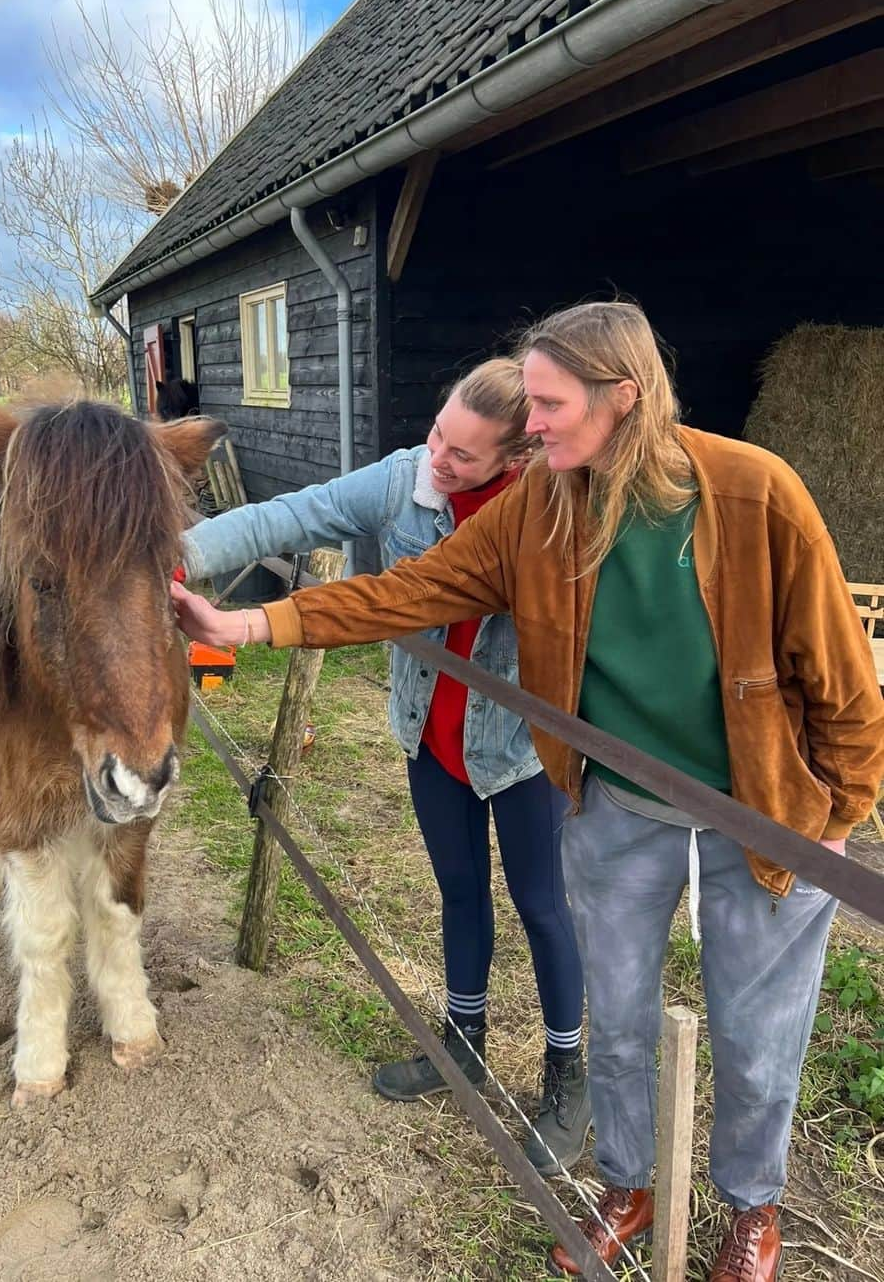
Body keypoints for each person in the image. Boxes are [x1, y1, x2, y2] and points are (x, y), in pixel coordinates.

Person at [173, 303, 884, 1282]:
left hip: (765, 809)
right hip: (618, 806)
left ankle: (752, 1213)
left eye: (548, 405)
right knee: (621, 1021)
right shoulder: (542, 503)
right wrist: (244, 626)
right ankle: (627, 1187)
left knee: (756, 1040)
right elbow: (408, 593)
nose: (533, 425)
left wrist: (837, 817)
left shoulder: (755, 493)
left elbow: (844, 683)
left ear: (622, 398)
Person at [181, 357, 590, 1175]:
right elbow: (293, 516)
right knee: (459, 888)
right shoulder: (408, 480)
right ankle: (462, 1046)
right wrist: (172, 553)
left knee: (544, 906)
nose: (438, 458)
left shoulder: (551, 510)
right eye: (439, 433)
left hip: (520, 747)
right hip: (429, 735)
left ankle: (568, 1076)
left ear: (514, 459)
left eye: (463, 456)